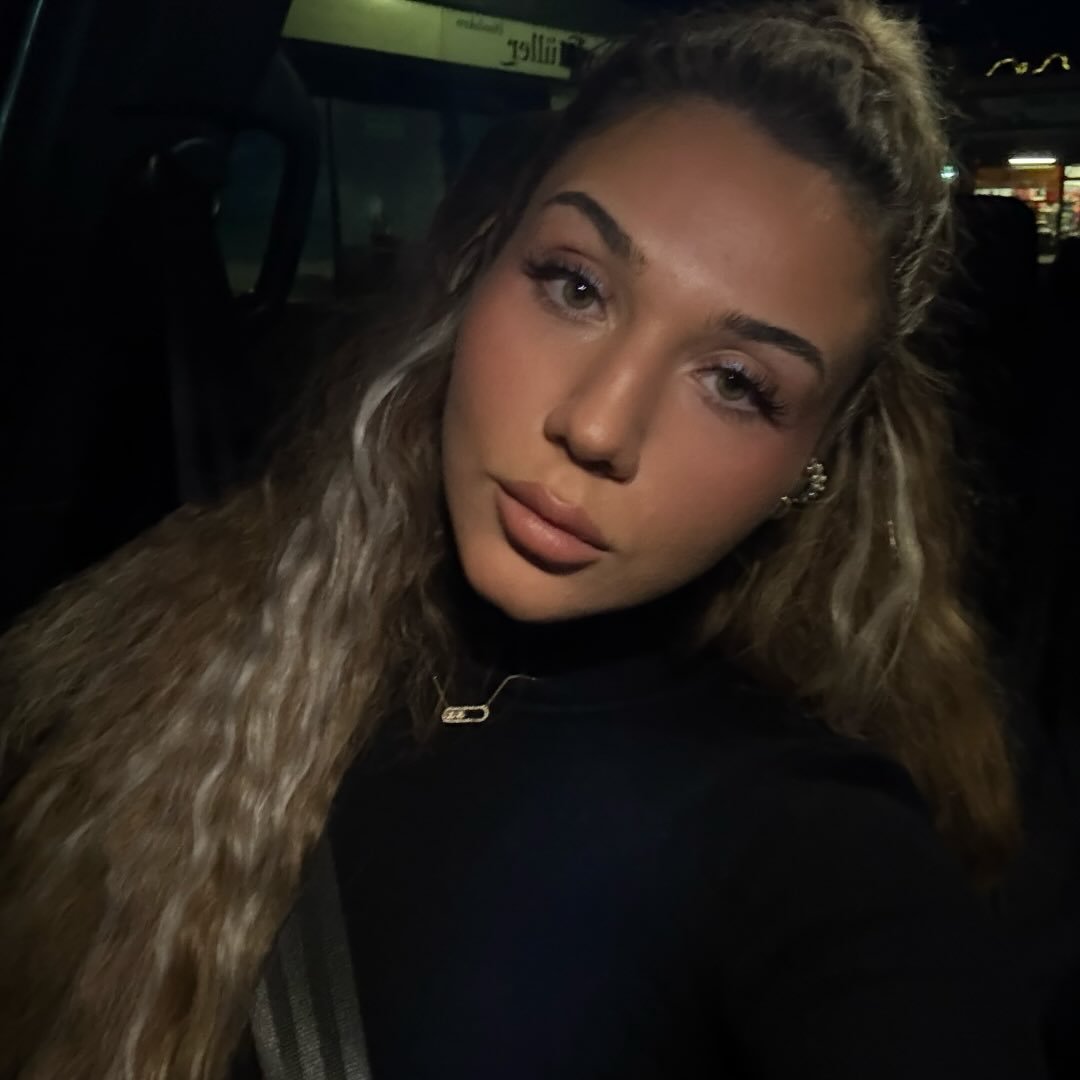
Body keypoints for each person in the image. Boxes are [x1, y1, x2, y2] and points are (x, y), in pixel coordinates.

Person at [0, 2, 1050, 1077]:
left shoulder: (804, 840)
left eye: (737, 383)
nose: (597, 426)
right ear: (481, 264)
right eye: (576, 285)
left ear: (814, 462)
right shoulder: (193, 603)